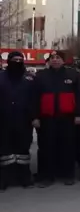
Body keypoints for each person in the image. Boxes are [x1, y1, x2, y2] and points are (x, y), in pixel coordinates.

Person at [33, 50, 80, 187]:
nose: (55, 60)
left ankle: (67, 174)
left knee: (67, 147)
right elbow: (34, 98)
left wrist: (79, 114)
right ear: (49, 60)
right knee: (45, 147)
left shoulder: (73, 74)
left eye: (58, 58)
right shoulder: (40, 76)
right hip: (46, 118)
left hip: (67, 118)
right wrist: (35, 117)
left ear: (63, 60)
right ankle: (46, 176)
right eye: (52, 58)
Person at [0, 51, 37, 189]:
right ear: (8, 61)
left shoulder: (30, 78)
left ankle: (24, 177)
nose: (17, 62)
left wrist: (35, 117)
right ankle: (5, 178)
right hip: (4, 120)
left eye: (20, 59)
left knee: (23, 149)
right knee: (5, 149)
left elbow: (35, 100)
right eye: (14, 59)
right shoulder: (1, 77)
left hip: (24, 120)